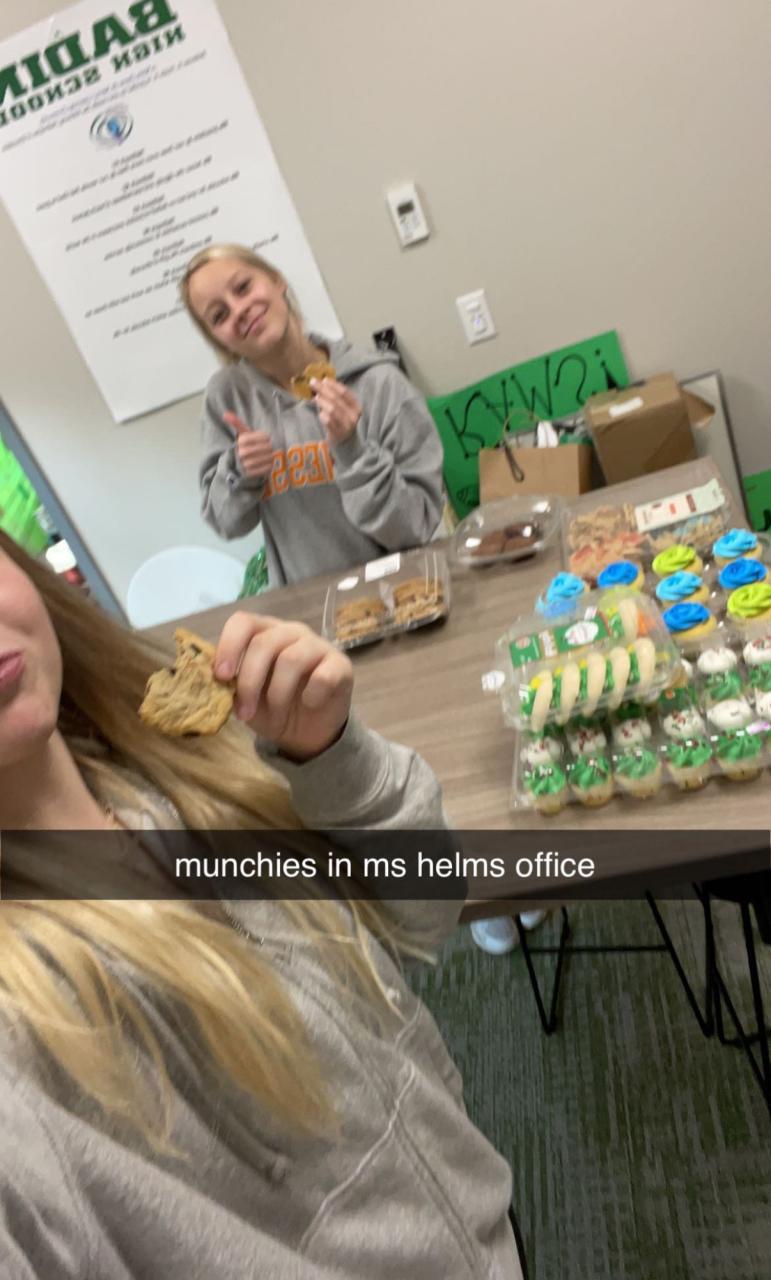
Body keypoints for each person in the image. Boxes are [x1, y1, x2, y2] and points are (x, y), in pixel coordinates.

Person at [0, 531, 525, 1279]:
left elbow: (423, 914)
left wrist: (334, 758)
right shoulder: (20, 1040)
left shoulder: (178, 764)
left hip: (479, 1214)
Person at [180, 245, 446, 587]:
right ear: (220, 341)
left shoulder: (380, 384)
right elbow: (225, 522)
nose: (239, 310)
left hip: (405, 592)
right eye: (219, 316)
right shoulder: (227, 399)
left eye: (243, 287)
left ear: (277, 281)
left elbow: (415, 528)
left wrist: (353, 451)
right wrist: (239, 471)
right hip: (307, 609)